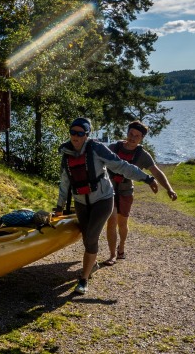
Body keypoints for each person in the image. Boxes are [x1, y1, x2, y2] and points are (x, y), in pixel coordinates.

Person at [54, 117, 159, 294]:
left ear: (86, 135)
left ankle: (83, 280)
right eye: (73, 132)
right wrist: (59, 205)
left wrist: (147, 178)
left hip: (103, 199)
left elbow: (121, 166)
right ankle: (92, 263)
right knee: (87, 236)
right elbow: (65, 181)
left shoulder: (96, 148)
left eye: (80, 133)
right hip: (81, 201)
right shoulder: (66, 152)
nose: (75, 136)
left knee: (92, 236)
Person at [103, 120, 178, 266]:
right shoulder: (113, 148)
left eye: (137, 136)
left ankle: (121, 247)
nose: (132, 137)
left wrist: (169, 189)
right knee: (111, 221)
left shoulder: (143, 155)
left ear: (141, 138)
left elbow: (157, 172)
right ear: (127, 133)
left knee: (122, 223)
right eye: (131, 133)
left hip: (126, 191)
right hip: (109, 190)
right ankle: (112, 255)